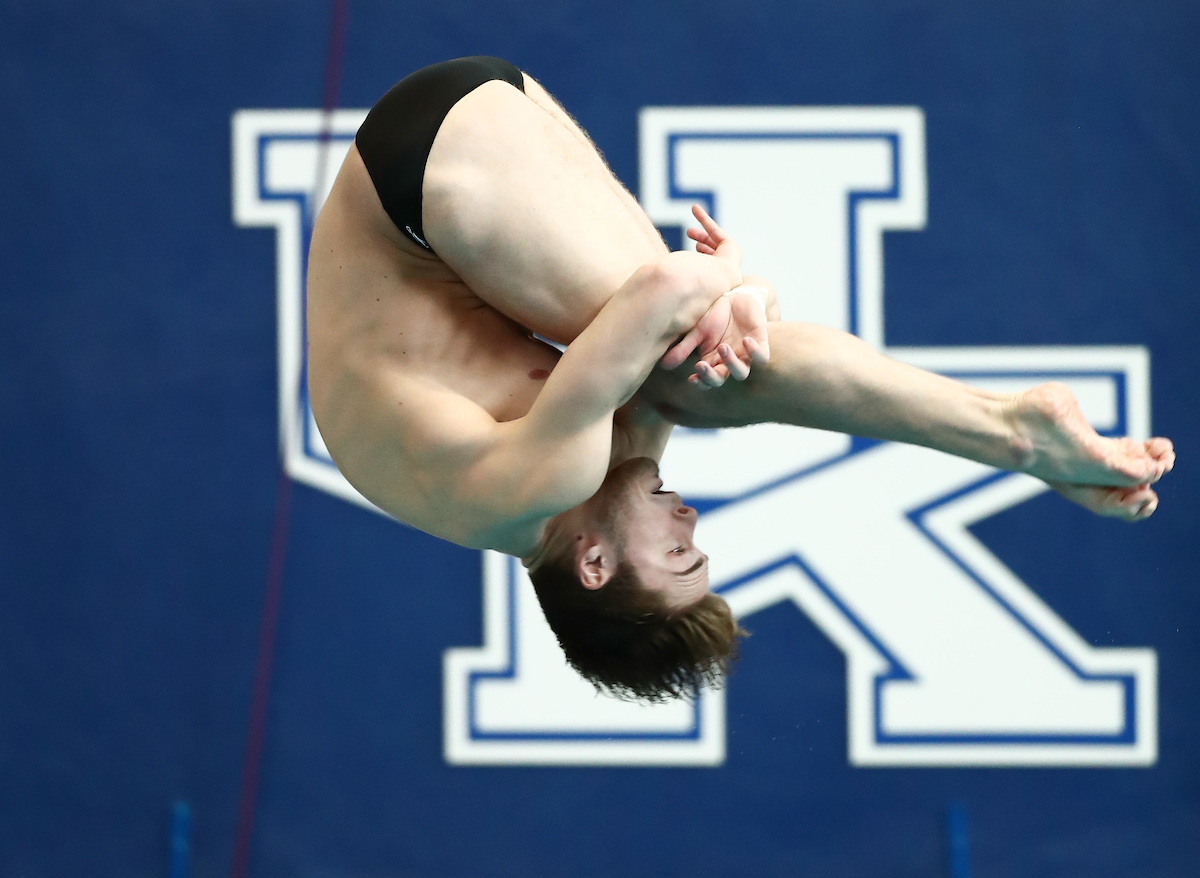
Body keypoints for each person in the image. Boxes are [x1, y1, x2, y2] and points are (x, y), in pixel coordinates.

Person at [307, 57, 1175, 700]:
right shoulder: (577, 484)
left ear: (597, 564)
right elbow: (686, 331)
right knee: (694, 374)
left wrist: (738, 287)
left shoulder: (541, 482)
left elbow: (670, 287)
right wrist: (738, 297)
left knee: (696, 358)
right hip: (456, 141)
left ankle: (1016, 436)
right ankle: (1010, 436)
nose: (691, 518)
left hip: (426, 175)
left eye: (679, 553)